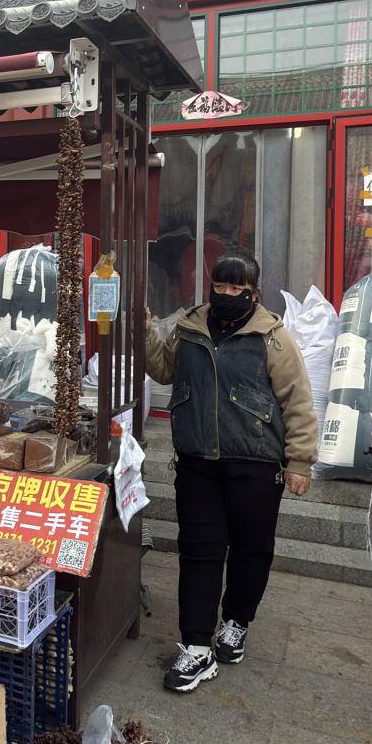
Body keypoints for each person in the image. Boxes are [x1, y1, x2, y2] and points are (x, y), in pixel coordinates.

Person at [145, 251, 318, 693]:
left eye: (236, 288)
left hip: (255, 464)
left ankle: (237, 622)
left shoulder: (272, 338)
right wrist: (144, 331)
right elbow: (163, 370)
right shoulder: (189, 326)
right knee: (198, 551)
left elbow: (297, 401)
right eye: (219, 286)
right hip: (197, 462)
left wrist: (300, 462)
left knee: (251, 549)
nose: (225, 295)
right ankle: (197, 648)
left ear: (253, 293)